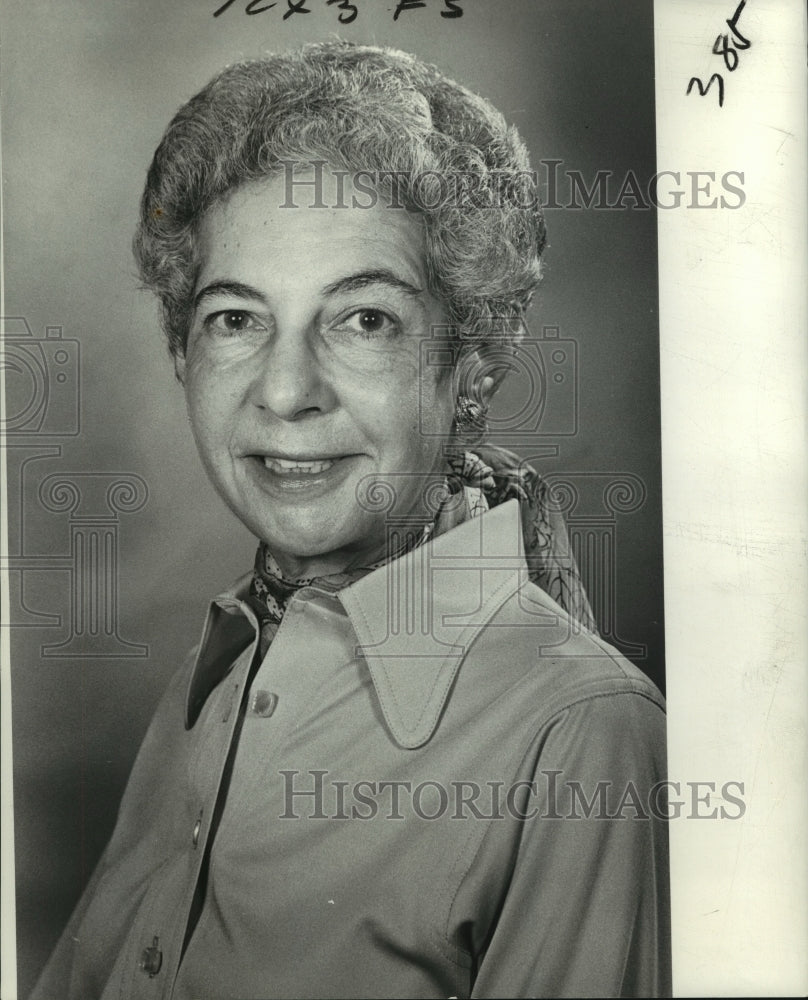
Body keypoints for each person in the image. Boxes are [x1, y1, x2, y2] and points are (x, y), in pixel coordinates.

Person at [31, 41, 669, 999]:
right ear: (182, 351)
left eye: (363, 319)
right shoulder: (219, 675)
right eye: (236, 319)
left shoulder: (582, 737)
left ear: (474, 363)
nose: (285, 392)